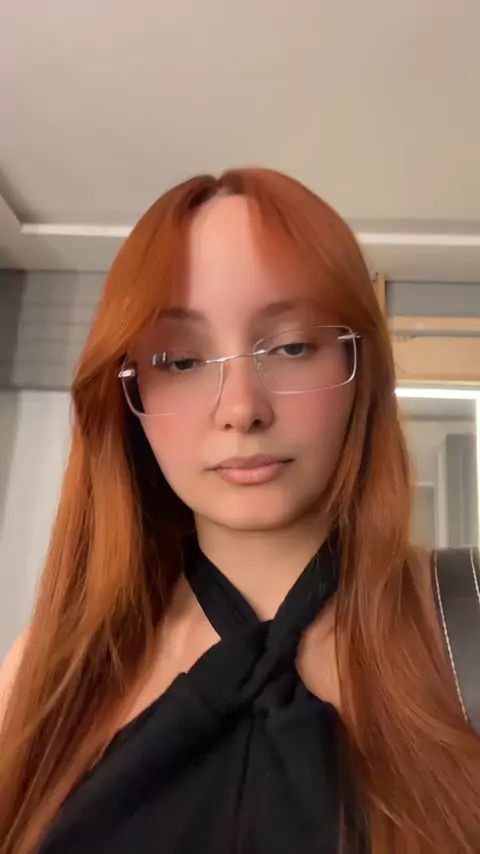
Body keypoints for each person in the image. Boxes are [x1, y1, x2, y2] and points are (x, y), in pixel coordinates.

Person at [0, 168, 478, 854]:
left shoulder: (465, 622)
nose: (241, 408)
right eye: (180, 361)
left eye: (291, 346)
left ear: (360, 370)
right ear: (127, 397)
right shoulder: (51, 668)